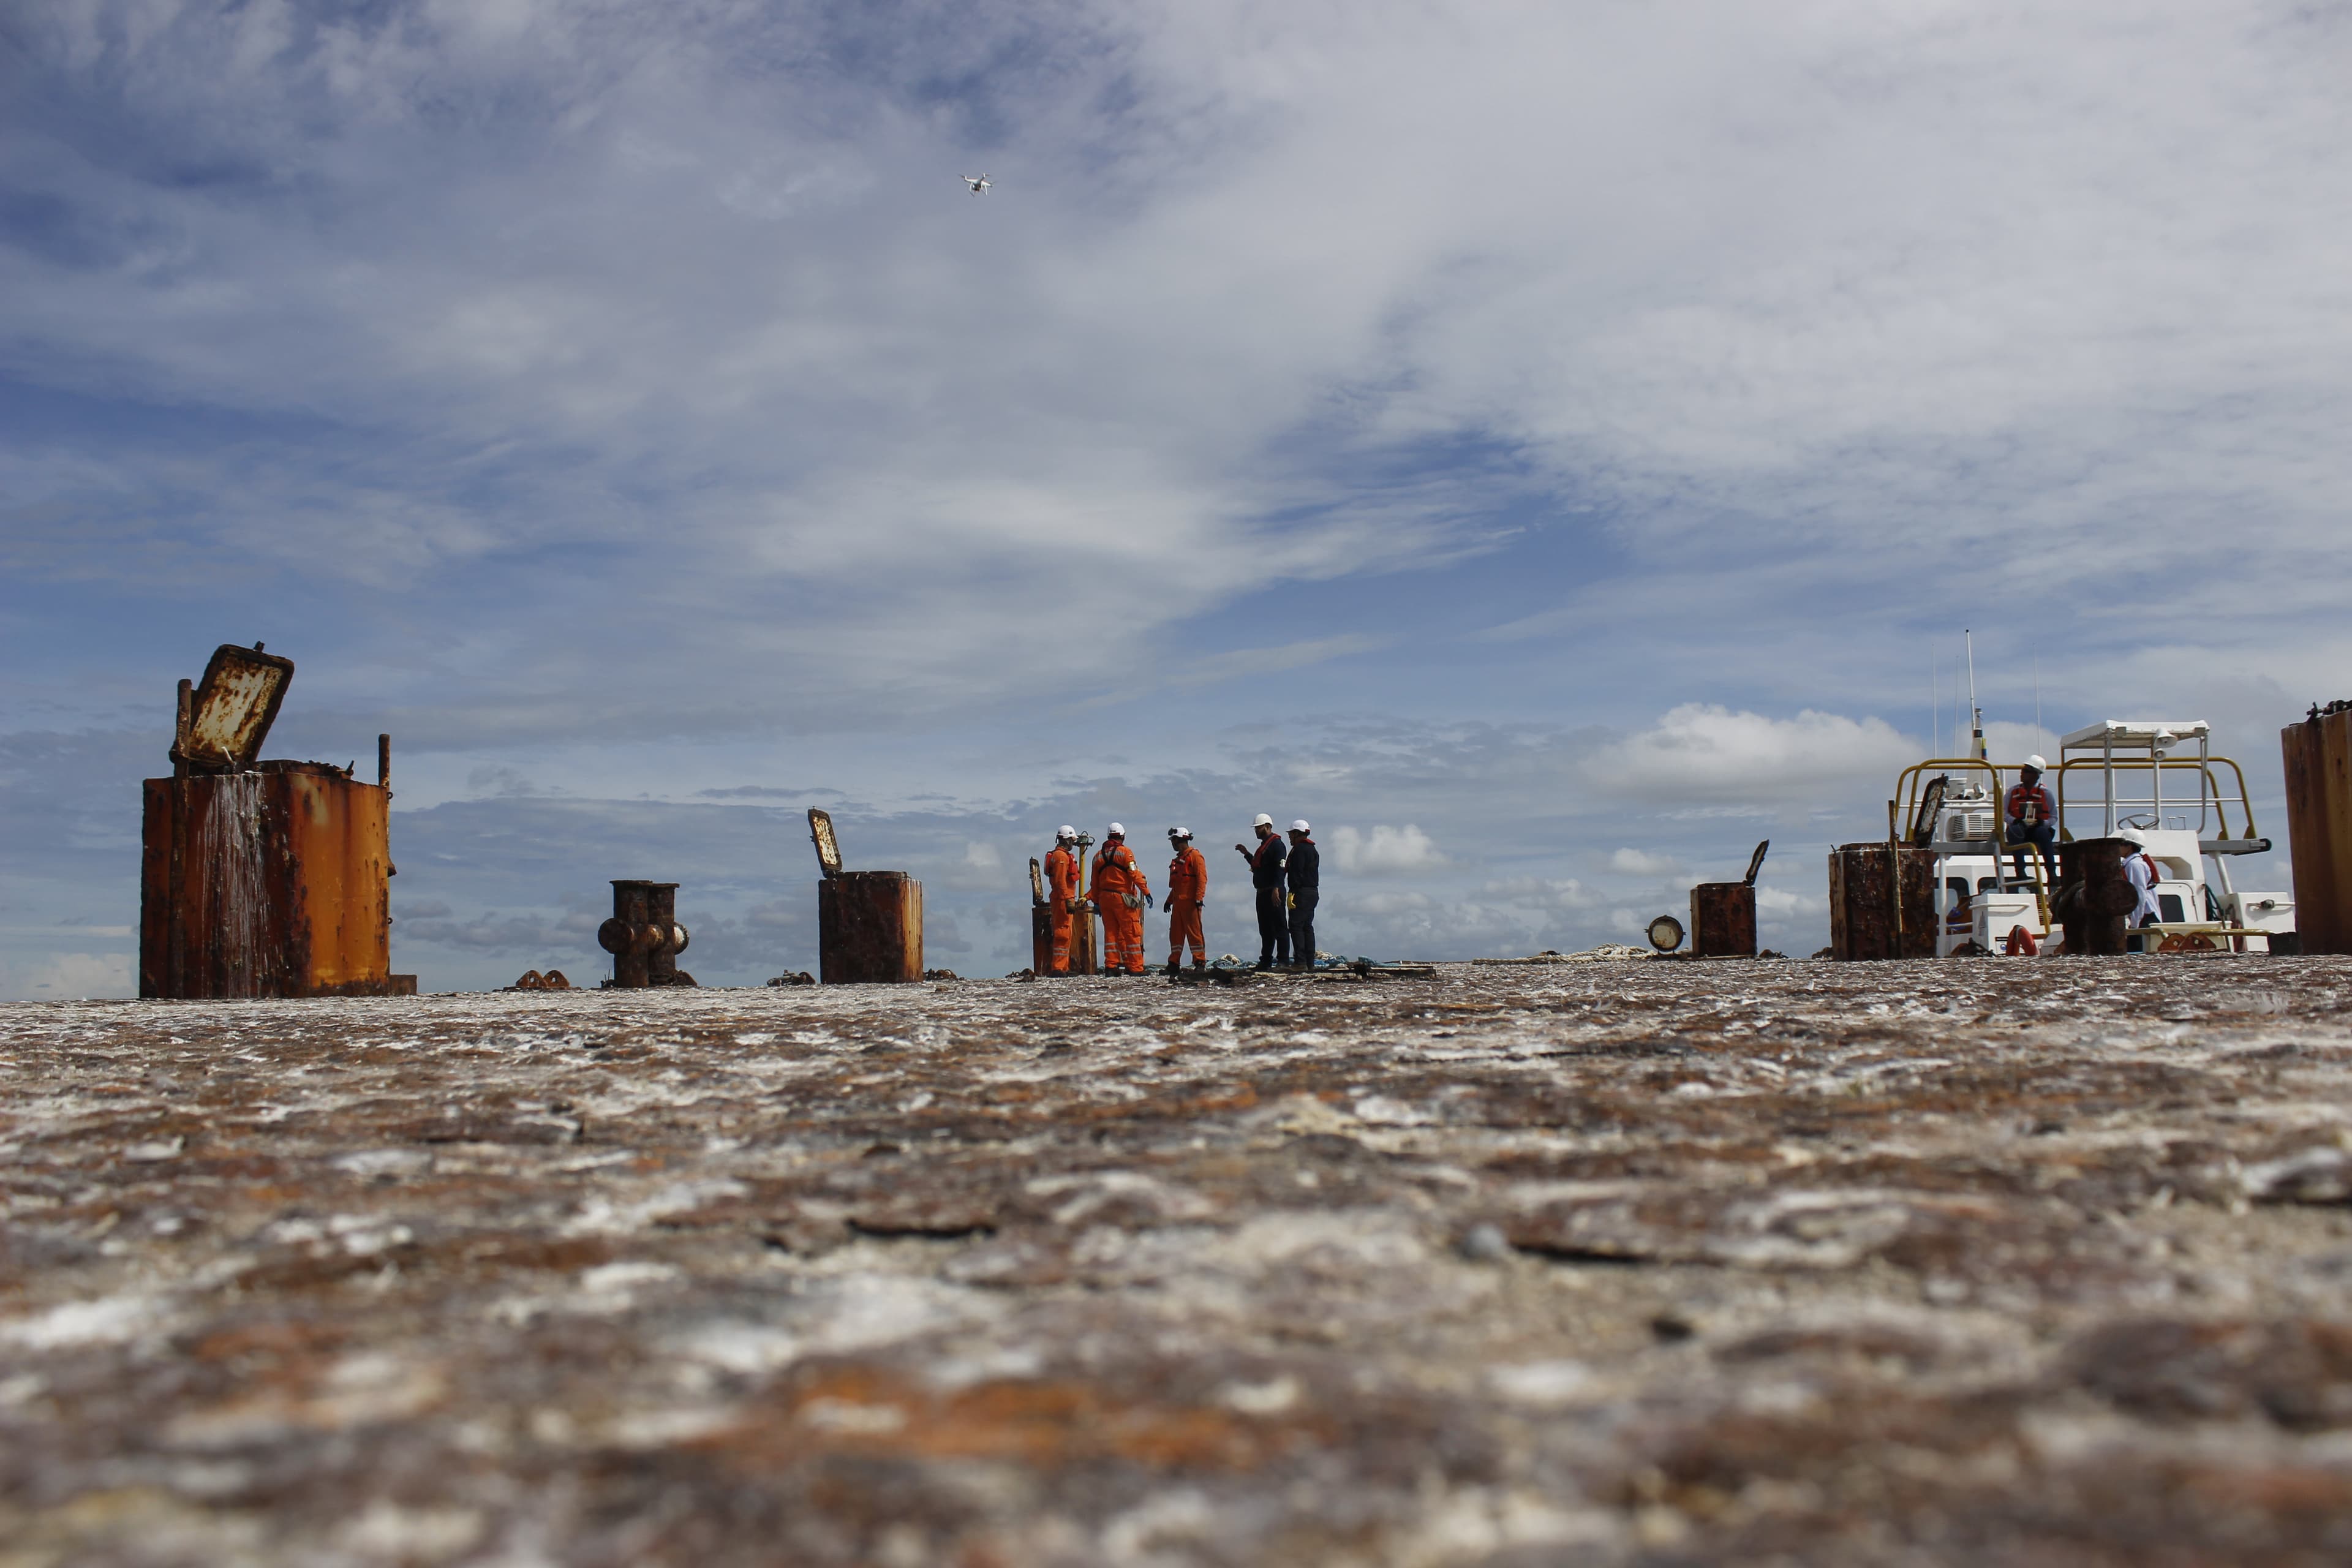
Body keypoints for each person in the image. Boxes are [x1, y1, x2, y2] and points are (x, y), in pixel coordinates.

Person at [1090, 823, 1152, 975]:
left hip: (1105, 899)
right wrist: (1146, 892)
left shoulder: (1097, 856)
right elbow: (1134, 874)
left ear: (1109, 836)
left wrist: (1096, 902)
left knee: (1110, 934)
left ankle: (1111, 967)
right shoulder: (1125, 853)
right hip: (1122, 898)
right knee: (1131, 932)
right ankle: (1136, 968)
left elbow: (1094, 882)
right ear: (1123, 837)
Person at [1234, 812, 1289, 970]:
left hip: (1273, 891)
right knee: (1265, 928)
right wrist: (1246, 854)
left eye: (1259, 828)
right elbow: (1258, 865)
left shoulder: (1277, 845)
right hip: (1263, 892)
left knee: (1279, 926)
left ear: (1268, 827)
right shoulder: (1264, 847)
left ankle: (1283, 960)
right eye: (1256, 829)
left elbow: (1281, 868)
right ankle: (1266, 960)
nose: (1257, 831)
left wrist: (1276, 888)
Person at [2005, 755, 2057, 886]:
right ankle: (2021, 872)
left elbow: (2054, 817)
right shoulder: (2012, 792)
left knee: (2044, 834)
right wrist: (2015, 821)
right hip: (2019, 827)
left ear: (2036, 775)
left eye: (2027, 771)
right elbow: (2004, 813)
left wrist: (2043, 823)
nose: (2022, 774)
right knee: (2014, 832)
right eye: (2023, 770)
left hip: (2037, 829)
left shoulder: (2047, 793)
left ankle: (2052, 873)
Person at [1162, 827, 1208, 974]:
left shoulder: (1195, 857)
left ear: (1179, 840)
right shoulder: (1179, 860)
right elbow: (1177, 884)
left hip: (1190, 903)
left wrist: (1199, 898)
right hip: (1178, 903)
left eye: (1174, 841)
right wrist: (1169, 901)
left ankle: (1200, 962)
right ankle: (1174, 963)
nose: (1172, 844)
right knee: (1175, 934)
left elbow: (1202, 879)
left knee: (1194, 933)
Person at [1042, 826, 1082, 974]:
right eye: (1072, 840)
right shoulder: (1061, 857)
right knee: (1062, 933)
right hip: (1062, 899)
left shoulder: (1062, 856)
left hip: (1064, 898)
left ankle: (1063, 967)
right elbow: (1060, 882)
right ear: (1066, 840)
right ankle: (1058, 967)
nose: (1073, 844)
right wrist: (1067, 900)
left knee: (1067, 933)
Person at [1284, 820, 1319, 970]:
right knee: (1307, 927)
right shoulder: (1313, 850)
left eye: (1291, 834)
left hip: (1301, 892)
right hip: (1312, 892)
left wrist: (1292, 891)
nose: (1290, 837)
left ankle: (1300, 962)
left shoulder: (1299, 850)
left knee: (1296, 926)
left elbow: (1297, 872)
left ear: (1297, 834)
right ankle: (1310, 962)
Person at [2120, 827, 2162, 951]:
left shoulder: (2135, 865)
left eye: (2122, 844)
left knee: (2137, 951)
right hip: (2143, 916)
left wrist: (2135, 923)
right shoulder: (2132, 863)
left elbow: (2138, 894)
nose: (2119, 848)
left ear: (2130, 847)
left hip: (2145, 917)